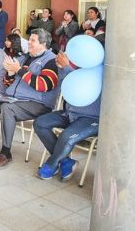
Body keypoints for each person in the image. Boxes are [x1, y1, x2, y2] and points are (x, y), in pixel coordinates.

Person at [0, 28, 59, 169]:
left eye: (33, 40)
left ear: (43, 43)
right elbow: (7, 82)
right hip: (14, 98)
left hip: (38, 103)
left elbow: (44, 85)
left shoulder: (51, 60)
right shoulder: (25, 57)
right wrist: (10, 73)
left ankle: (6, 152)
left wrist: (19, 70)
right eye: (29, 39)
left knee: (8, 108)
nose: (29, 42)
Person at [35, 52, 101, 181]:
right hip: (70, 113)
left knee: (66, 136)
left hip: (91, 118)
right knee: (40, 123)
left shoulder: (101, 72)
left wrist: (66, 67)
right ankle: (65, 161)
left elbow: (82, 84)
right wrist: (61, 68)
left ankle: (51, 164)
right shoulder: (78, 69)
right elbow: (65, 87)